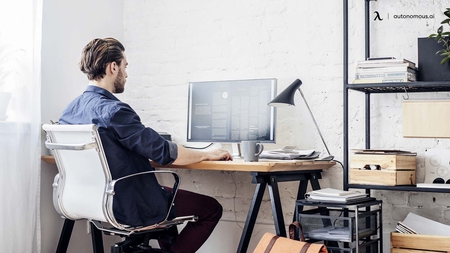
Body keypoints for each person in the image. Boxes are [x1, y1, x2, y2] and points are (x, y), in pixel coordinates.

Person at [59, 37, 233, 253]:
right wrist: (207, 154)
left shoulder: (70, 111)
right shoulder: (114, 111)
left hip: (91, 201)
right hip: (127, 203)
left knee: (166, 203)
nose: (127, 74)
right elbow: (165, 153)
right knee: (211, 208)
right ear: (113, 67)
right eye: (125, 66)